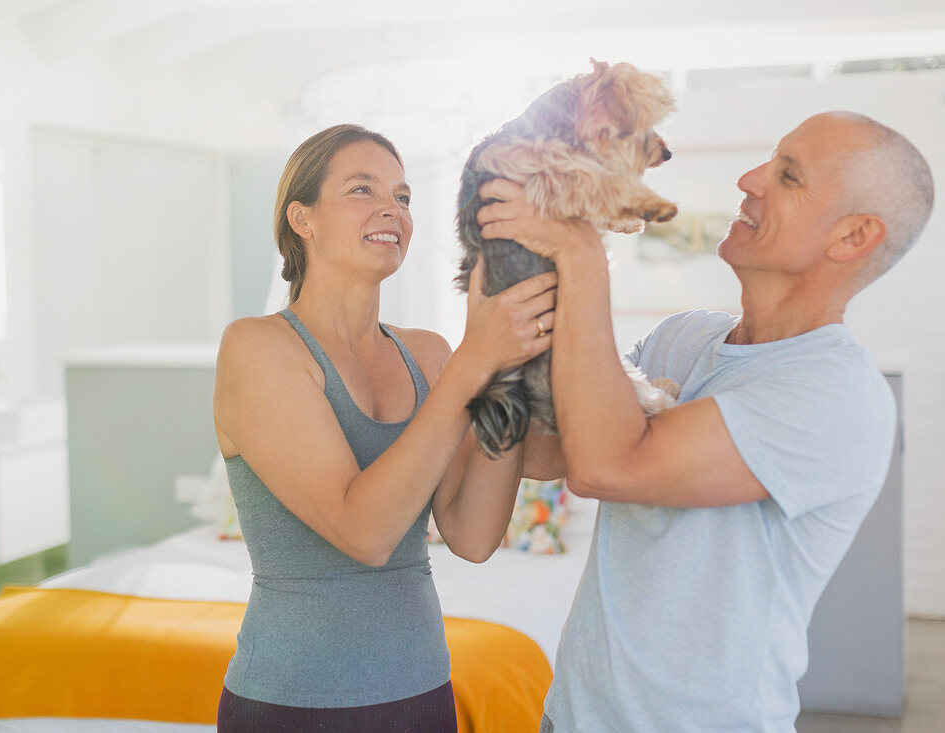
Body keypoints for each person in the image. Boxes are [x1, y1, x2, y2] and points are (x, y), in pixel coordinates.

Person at [475, 111, 934, 731]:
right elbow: (544, 452)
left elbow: (606, 465)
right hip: (573, 717)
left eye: (787, 176)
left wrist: (580, 250)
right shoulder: (683, 337)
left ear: (852, 237)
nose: (749, 179)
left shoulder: (838, 394)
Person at [212, 124, 561, 731]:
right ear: (303, 218)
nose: (391, 210)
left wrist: (502, 373)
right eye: (361, 189)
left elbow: (474, 536)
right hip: (294, 704)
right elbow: (364, 532)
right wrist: (476, 360)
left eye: (401, 197)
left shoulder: (429, 356)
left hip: (424, 694)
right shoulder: (259, 347)